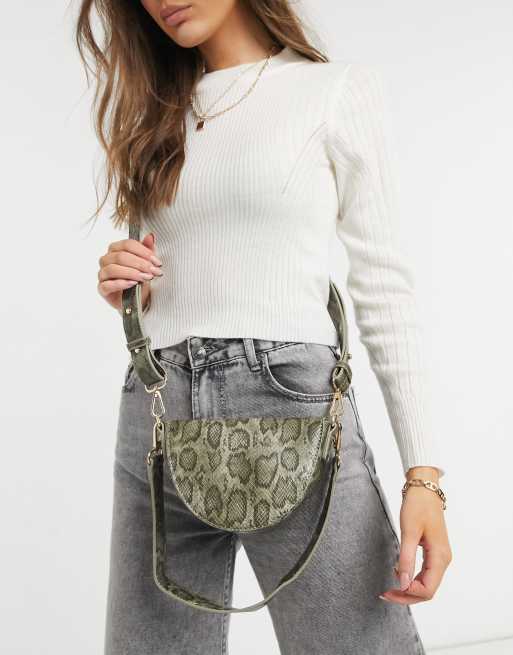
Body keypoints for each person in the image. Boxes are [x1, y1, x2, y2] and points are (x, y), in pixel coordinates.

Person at [76, 1, 452, 653]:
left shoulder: (332, 91)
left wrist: (424, 478)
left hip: (292, 404)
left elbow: (383, 285)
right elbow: (188, 272)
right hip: (157, 409)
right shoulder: (152, 113)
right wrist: (130, 289)